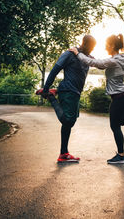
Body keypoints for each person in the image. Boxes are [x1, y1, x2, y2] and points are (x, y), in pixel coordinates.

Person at [69, 34, 124, 164]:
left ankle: (121, 155)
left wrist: (77, 53)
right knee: (121, 123)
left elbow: (94, 63)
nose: (105, 47)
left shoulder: (114, 61)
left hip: (119, 98)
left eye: (107, 44)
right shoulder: (121, 60)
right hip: (123, 96)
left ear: (112, 46)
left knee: (115, 126)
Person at [37, 35, 96, 163]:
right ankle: (51, 97)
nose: (91, 50)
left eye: (93, 48)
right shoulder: (69, 54)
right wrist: (46, 89)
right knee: (68, 121)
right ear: (84, 43)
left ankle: (63, 153)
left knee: (70, 122)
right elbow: (55, 70)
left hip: (75, 93)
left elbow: (96, 62)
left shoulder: (87, 58)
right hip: (68, 91)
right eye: (90, 47)